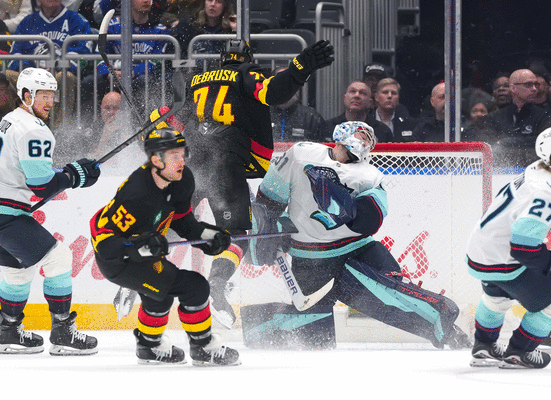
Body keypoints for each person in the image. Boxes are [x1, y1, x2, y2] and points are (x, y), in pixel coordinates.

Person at [246, 121, 471, 350]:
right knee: (316, 342)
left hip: (358, 251)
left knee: (390, 293)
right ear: (342, 133)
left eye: (369, 141)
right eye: (361, 135)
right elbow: (269, 198)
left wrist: (348, 208)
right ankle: (254, 325)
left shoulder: (369, 176)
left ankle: (446, 327)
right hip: (311, 261)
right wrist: (267, 228)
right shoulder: (301, 154)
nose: (365, 142)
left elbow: (371, 220)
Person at [185, 38, 334, 328]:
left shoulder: (198, 81)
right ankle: (216, 286)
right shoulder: (245, 73)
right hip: (225, 161)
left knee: (172, 221)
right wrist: (301, 67)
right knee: (236, 234)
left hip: (192, 161)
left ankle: (134, 279)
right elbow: (274, 92)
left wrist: (151, 120)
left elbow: (172, 120)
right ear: (247, 58)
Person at [90, 126, 240, 365]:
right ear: (156, 160)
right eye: (174, 156)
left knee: (159, 296)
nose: (182, 161)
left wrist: (208, 236)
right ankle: (203, 348)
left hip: (143, 255)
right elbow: (105, 244)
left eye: (182, 154)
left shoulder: (183, 180)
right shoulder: (136, 193)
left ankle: (148, 347)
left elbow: (183, 221)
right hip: (117, 262)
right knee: (195, 287)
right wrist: (140, 247)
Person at [0, 67, 100, 355]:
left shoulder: (9, 120)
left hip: (5, 210)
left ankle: (7, 330)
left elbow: (26, 170)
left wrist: (69, 173)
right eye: (42, 95)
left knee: (17, 270)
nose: (49, 102)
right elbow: (42, 185)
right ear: (26, 95)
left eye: (51, 95)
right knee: (59, 257)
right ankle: (63, 331)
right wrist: (74, 176)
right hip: (7, 216)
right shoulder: (34, 129)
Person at [466, 125, 551, 369]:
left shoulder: (538, 170)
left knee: (496, 298)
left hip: (479, 251)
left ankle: (483, 348)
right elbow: (523, 249)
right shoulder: (547, 192)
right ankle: (519, 352)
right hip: (504, 258)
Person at [6, 0, 93, 126]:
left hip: (60, 75)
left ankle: (58, 130)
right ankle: (15, 126)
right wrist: (31, 72)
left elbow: (83, 54)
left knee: (65, 77)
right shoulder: (27, 22)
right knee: (7, 76)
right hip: (31, 76)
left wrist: (57, 67)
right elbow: (14, 54)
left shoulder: (76, 20)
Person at [81, 0, 168, 117]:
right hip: (113, 76)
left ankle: (143, 121)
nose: (146, 1)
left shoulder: (160, 30)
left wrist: (131, 72)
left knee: (145, 81)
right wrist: (109, 73)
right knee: (89, 82)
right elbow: (100, 56)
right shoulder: (113, 25)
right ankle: (88, 123)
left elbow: (156, 62)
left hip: (139, 77)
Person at [168, 0, 236, 67]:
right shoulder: (187, 27)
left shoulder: (229, 30)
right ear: (204, 3)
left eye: (218, 1)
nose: (213, 4)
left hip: (222, 73)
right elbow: (173, 60)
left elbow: (237, 60)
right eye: (210, 0)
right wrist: (195, 65)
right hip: (194, 72)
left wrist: (235, 30)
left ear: (224, 6)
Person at [270, 66, 328, 142]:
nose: (287, 87)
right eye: (282, 82)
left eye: (292, 82)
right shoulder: (263, 115)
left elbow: (324, 147)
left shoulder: (311, 117)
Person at [326, 81, 393, 143]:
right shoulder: (328, 127)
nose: (357, 95)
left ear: (370, 102)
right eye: (352, 91)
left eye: (362, 93)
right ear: (344, 98)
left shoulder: (382, 131)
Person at [372, 77, 419, 142]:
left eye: (394, 93)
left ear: (398, 98)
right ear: (376, 97)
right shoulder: (367, 122)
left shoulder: (410, 124)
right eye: (385, 92)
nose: (389, 96)